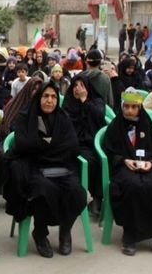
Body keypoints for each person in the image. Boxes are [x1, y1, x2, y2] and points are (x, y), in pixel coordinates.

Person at [3, 81, 87, 258]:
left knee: (76, 191)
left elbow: (72, 146)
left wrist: (42, 146)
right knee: (43, 190)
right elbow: (22, 144)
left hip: (62, 167)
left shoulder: (63, 118)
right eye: (46, 96)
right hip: (35, 168)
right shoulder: (25, 118)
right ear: (38, 98)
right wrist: (51, 146)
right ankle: (40, 233)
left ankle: (65, 230)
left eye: (53, 97)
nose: (50, 100)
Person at [102, 88, 152, 257]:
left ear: (139, 108)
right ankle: (130, 234)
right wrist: (124, 160)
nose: (129, 110)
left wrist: (151, 164)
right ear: (122, 107)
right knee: (133, 185)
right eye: (126, 106)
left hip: (146, 168)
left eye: (133, 107)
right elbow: (109, 151)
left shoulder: (146, 123)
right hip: (124, 169)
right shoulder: (116, 126)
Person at [62, 74, 107, 217]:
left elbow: (99, 118)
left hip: (92, 142)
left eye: (81, 86)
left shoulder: (96, 101)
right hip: (72, 143)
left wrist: (84, 100)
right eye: (75, 85)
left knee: (99, 160)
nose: (77, 89)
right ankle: (84, 198)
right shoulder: (68, 102)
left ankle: (97, 199)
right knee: (86, 160)